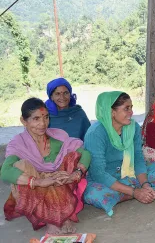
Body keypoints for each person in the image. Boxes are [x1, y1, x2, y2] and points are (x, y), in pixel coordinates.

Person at [1, 98, 91, 234]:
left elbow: (85, 153)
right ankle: (51, 220)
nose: (43, 124)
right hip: (35, 186)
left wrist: (76, 173)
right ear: (23, 121)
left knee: (73, 157)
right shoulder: (18, 144)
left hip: (61, 183)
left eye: (46, 117)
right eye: (36, 119)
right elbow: (6, 171)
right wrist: (39, 181)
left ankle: (63, 216)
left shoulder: (58, 136)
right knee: (21, 166)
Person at [83, 91, 155, 216]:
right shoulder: (96, 133)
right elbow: (99, 173)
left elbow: (138, 158)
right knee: (94, 193)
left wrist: (145, 184)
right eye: (126, 108)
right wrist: (135, 192)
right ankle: (132, 192)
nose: (131, 113)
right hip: (104, 179)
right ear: (112, 112)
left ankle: (131, 192)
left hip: (129, 175)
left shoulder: (133, 127)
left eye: (131, 108)